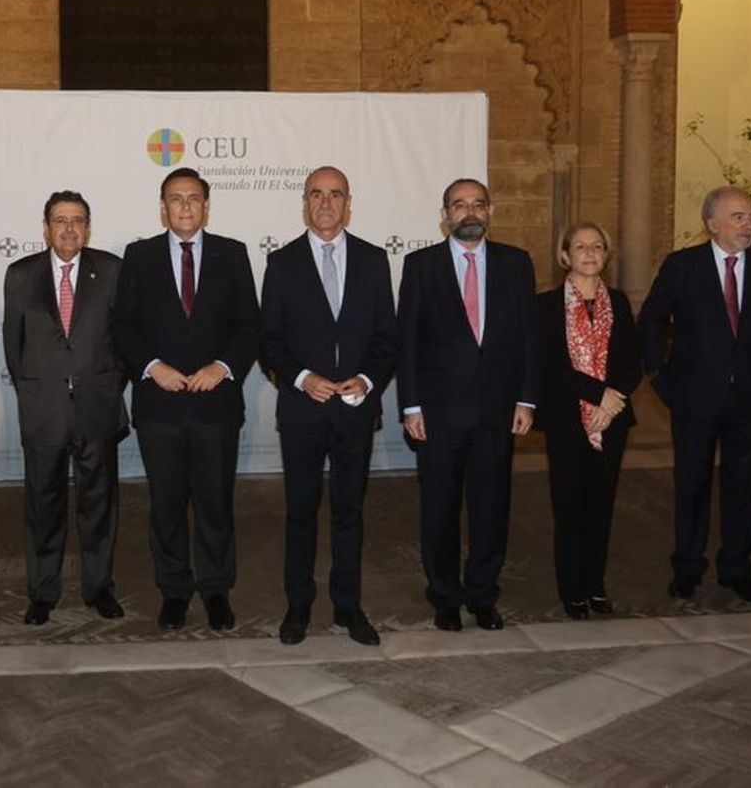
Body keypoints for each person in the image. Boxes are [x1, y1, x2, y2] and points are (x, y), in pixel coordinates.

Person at [111, 166, 260, 632]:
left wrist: (223, 367)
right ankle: (173, 590)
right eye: (176, 199)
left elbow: (249, 326)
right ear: (163, 207)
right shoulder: (138, 256)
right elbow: (124, 327)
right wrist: (154, 369)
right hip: (160, 407)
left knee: (216, 504)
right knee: (167, 505)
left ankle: (216, 590)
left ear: (206, 206)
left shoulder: (233, 255)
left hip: (216, 406)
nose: (186, 207)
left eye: (194, 198)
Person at [259, 166, 396, 646]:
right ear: (304, 202)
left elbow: (387, 341)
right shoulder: (282, 263)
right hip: (302, 411)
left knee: (350, 512)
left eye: (335, 194)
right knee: (300, 511)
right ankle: (298, 605)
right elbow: (269, 340)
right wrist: (302, 378)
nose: (325, 203)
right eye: (316, 194)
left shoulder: (375, 261)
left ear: (348, 203)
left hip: (356, 409)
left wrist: (367, 380)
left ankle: (348, 604)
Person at [396, 177, 540, 632]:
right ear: (445, 216)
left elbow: (530, 338)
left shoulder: (516, 264)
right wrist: (411, 407)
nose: (469, 212)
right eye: (459, 205)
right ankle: (444, 596)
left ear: (491, 211)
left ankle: (482, 594)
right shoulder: (420, 266)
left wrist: (527, 397)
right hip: (438, 415)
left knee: (491, 507)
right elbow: (408, 342)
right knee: (438, 509)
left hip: (498, 412)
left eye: (478, 204)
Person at [637, 185, 751, 603]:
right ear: (711, 224)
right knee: (692, 484)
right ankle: (687, 566)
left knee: (746, 488)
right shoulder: (683, 265)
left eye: (750, 216)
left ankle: (737, 568)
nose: (748, 224)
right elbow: (650, 319)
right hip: (694, 398)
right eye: (738, 216)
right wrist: (659, 377)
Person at [2, 190, 128, 626]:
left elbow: (124, 341)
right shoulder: (20, 275)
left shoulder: (111, 271)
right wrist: (38, 393)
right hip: (45, 412)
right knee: (43, 506)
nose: (69, 228)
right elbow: (13, 349)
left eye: (77, 220)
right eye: (60, 220)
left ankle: (99, 588)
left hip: (96, 408)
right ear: (46, 228)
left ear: (88, 228)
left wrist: (106, 385)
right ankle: (42, 592)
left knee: (99, 504)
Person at [536, 222, 642, 620]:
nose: (590, 253)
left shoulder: (619, 301)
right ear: (565, 256)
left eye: (597, 246)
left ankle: (595, 585)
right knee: (569, 506)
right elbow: (550, 365)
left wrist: (611, 401)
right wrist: (596, 394)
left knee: (601, 506)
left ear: (606, 255)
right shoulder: (545, 305)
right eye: (580, 247)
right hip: (567, 419)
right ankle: (572, 590)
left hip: (612, 418)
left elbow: (632, 360)